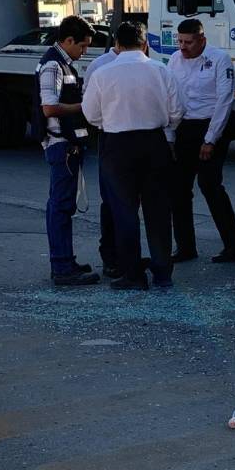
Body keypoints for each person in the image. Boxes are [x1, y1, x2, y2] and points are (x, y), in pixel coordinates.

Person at [82, 22, 182, 290]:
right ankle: (163, 272)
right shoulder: (161, 70)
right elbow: (177, 111)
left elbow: (91, 115)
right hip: (154, 142)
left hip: (117, 145)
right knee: (158, 210)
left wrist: (112, 121)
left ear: (116, 45)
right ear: (145, 43)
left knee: (124, 211)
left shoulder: (102, 74)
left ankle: (133, 274)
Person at [168, 19, 235, 263]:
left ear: (202, 39)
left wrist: (210, 139)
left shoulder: (219, 59)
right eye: (180, 41)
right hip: (185, 126)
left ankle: (234, 243)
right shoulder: (174, 60)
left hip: (212, 125)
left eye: (188, 42)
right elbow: (171, 96)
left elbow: (224, 101)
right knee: (179, 189)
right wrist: (171, 134)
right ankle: (185, 247)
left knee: (209, 184)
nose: (183, 47)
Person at [39, 15, 99, 286]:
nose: (84, 51)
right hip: (60, 145)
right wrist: (84, 107)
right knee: (60, 208)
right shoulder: (53, 65)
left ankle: (66, 261)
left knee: (63, 206)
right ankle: (62, 268)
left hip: (66, 144)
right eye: (82, 46)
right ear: (68, 40)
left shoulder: (64, 63)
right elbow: (50, 108)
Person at [84, 44, 121, 279]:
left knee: (119, 202)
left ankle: (123, 257)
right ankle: (112, 258)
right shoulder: (99, 66)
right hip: (113, 136)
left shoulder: (151, 66)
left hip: (112, 135)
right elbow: (91, 108)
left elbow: (90, 112)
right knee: (112, 202)